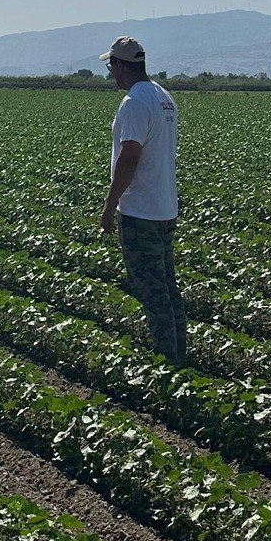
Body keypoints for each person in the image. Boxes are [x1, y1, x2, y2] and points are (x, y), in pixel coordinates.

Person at [98, 35, 185, 359]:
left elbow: (130, 156)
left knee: (152, 292)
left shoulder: (134, 102)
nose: (111, 74)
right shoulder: (163, 97)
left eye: (111, 67)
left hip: (141, 212)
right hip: (164, 207)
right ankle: (178, 356)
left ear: (121, 66)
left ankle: (168, 364)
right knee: (168, 288)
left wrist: (110, 204)